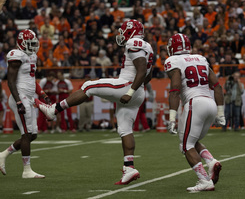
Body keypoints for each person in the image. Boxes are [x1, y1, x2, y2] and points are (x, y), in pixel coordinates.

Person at [35, 19, 153, 185]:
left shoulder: (134, 42)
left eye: (123, 31)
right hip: (138, 90)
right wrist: (137, 91)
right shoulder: (148, 46)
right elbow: (149, 75)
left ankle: (54, 110)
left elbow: (141, 70)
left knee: (88, 85)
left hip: (128, 85)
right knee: (125, 128)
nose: (121, 34)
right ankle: (129, 167)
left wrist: (130, 90)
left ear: (131, 31)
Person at [164, 33, 225, 192]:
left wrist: (171, 118)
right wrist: (221, 113)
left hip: (194, 104)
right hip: (210, 103)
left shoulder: (173, 61)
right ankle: (211, 162)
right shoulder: (201, 58)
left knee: (185, 145)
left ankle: (204, 180)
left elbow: (175, 90)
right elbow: (217, 86)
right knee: (192, 139)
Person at [0, 29, 51, 178]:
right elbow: (10, 82)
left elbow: (31, 79)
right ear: (22, 44)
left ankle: (3, 154)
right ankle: (27, 170)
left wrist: (42, 93)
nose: (34, 46)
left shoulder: (31, 55)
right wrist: (18, 101)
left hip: (28, 98)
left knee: (32, 135)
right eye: (30, 43)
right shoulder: (16, 56)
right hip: (20, 97)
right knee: (27, 134)